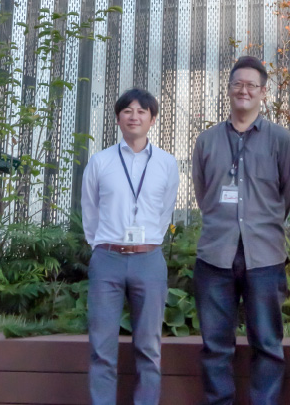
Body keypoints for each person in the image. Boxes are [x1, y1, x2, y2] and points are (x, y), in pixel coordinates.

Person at [191, 55, 290, 405]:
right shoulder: (206, 141)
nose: (244, 90)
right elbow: (203, 193)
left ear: (263, 93)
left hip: (264, 256)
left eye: (252, 85)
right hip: (215, 255)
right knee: (215, 346)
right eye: (238, 84)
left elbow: (288, 194)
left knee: (267, 344)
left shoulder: (280, 140)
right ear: (229, 89)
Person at [82, 87, 179, 405]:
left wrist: (149, 241)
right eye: (127, 110)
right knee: (101, 347)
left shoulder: (166, 163)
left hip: (148, 259)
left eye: (141, 111)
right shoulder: (100, 161)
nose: (134, 116)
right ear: (118, 118)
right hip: (107, 258)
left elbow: (165, 212)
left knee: (149, 348)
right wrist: (102, 244)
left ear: (152, 119)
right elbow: (90, 212)